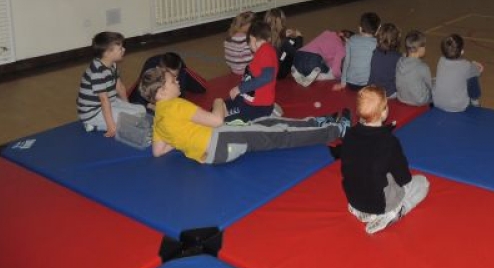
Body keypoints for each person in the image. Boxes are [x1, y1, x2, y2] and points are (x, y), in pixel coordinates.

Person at [139, 67, 351, 164]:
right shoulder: (177, 105)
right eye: (172, 81)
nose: (177, 82)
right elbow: (217, 120)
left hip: (214, 151)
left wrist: (181, 137)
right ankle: (336, 130)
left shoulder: (159, 118)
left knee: (265, 122)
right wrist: (218, 102)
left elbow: (158, 151)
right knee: (279, 135)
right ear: (161, 92)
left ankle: (317, 122)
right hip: (222, 141)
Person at [338, 85, 429, 234]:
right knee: (422, 183)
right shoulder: (389, 142)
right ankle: (396, 212)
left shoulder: (349, 135)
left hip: (354, 199)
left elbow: (348, 167)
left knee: (370, 169)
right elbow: (404, 178)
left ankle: (362, 211)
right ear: (384, 112)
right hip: (379, 203)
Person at [76, 31, 146, 136]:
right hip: (93, 112)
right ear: (107, 53)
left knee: (141, 110)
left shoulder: (112, 64)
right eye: (120, 48)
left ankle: (112, 121)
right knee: (131, 120)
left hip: (110, 102)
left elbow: (120, 87)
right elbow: (104, 100)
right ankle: (93, 125)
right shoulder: (97, 72)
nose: (124, 50)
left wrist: (127, 106)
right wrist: (111, 126)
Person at [225, 19, 279, 122]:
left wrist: (240, 88)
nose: (249, 47)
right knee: (219, 107)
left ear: (252, 39)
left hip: (258, 107)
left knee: (223, 122)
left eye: (248, 44)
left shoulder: (266, 50)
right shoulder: (263, 51)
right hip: (248, 100)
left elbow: (267, 77)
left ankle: (269, 113)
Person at [127, 51, 205, 109]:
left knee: (201, 89)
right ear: (158, 69)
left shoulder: (181, 72)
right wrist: (151, 106)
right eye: (170, 76)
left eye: (175, 76)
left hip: (182, 70)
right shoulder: (150, 72)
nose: (175, 79)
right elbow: (139, 99)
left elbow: (179, 98)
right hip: (155, 71)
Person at [432, 34, 483, 112]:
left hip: (437, 102)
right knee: (473, 79)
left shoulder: (441, 60)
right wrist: (477, 69)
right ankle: (475, 102)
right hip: (457, 106)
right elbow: (474, 72)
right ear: (462, 51)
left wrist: (473, 67)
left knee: (437, 80)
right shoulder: (467, 65)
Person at [333, 12, 381, 91]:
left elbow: (346, 62)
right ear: (378, 30)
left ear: (360, 28)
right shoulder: (377, 44)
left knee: (345, 59)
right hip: (367, 85)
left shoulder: (351, 40)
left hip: (350, 83)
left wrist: (342, 83)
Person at [395, 30, 433, 106]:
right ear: (420, 49)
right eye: (424, 46)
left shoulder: (400, 61)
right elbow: (430, 86)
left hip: (401, 97)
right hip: (419, 101)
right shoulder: (423, 67)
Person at [264, 8, 303, 80]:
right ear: (282, 22)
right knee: (293, 43)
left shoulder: (264, 36)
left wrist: (285, 35)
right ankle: (298, 71)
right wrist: (299, 38)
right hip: (279, 73)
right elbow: (298, 55)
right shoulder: (284, 42)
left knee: (289, 43)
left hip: (268, 71)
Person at [368, 23, 402, 98]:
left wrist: (369, 88)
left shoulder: (375, 53)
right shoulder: (398, 57)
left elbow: (372, 74)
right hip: (390, 93)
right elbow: (398, 80)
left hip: (375, 91)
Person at [224, 11, 255, 76]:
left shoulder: (229, 36)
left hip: (233, 68)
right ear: (247, 25)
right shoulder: (245, 39)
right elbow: (249, 58)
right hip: (244, 70)